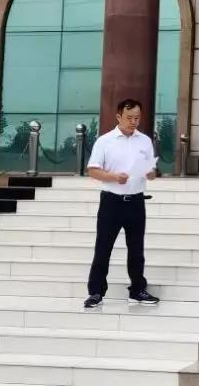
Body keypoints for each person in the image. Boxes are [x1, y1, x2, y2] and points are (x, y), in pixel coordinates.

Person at [82, 99, 160, 309]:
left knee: (136, 249)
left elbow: (151, 171)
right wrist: (114, 177)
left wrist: (151, 173)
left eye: (137, 118)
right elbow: (93, 170)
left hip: (136, 201)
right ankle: (96, 292)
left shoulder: (144, 141)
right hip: (112, 202)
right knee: (103, 248)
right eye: (129, 118)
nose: (134, 122)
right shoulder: (105, 141)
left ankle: (137, 290)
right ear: (118, 117)